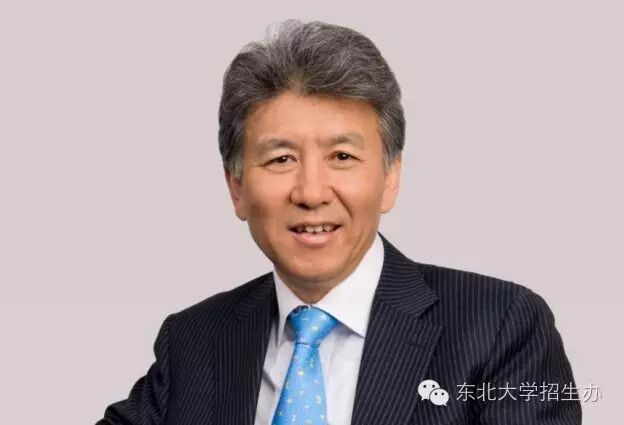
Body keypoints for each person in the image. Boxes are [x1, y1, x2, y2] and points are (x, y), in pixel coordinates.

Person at [97, 20, 581, 425]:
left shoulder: (498, 326)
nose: (311, 193)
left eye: (342, 156)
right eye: (281, 159)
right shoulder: (194, 341)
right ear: (236, 187)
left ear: (390, 178)